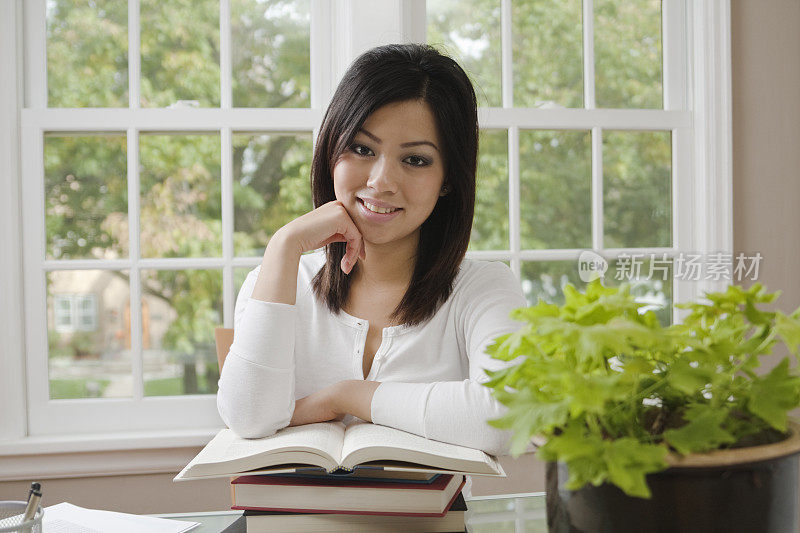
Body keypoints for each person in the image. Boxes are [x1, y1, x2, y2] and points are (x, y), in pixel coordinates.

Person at [217, 43, 527, 457]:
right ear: (331, 150)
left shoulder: (483, 289)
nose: (382, 181)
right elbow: (247, 417)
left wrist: (345, 397)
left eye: (415, 160)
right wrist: (283, 245)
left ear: (448, 180)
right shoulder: (275, 281)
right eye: (363, 149)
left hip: (427, 522)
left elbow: (504, 419)